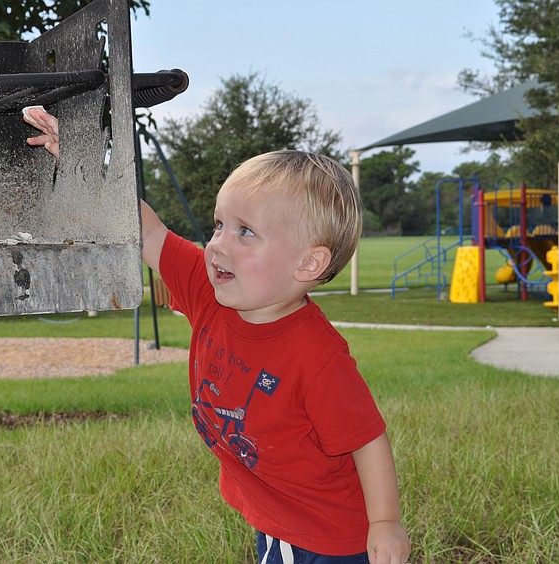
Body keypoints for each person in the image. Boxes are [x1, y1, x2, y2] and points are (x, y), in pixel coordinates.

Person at [25, 107, 411, 564]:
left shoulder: (318, 355)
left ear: (308, 264)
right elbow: (147, 231)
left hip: (323, 535)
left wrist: (386, 523)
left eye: (246, 232)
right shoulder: (208, 290)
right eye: (219, 224)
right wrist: (85, 164)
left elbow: (365, 439)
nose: (218, 244)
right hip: (278, 514)